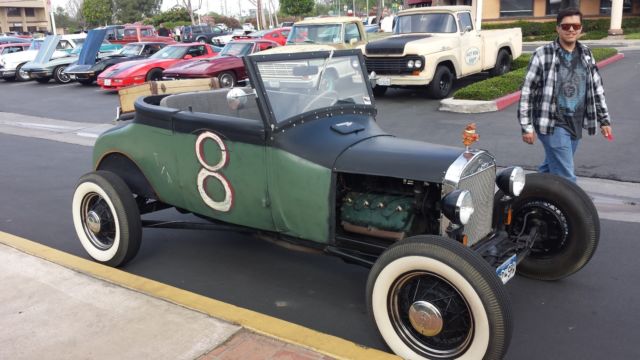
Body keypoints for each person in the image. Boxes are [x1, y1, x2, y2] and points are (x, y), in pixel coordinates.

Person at [518, 8, 613, 183]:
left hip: (576, 121)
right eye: (566, 26)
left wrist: (604, 120)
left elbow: (597, 88)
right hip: (553, 122)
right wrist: (527, 126)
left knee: (551, 167)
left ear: (580, 28)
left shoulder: (586, 54)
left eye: (575, 25)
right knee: (566, 177)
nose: (571, 29)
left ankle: (531, 198)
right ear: (558, 28)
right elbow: (527, 92)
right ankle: (570, 209)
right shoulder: (542, 54)